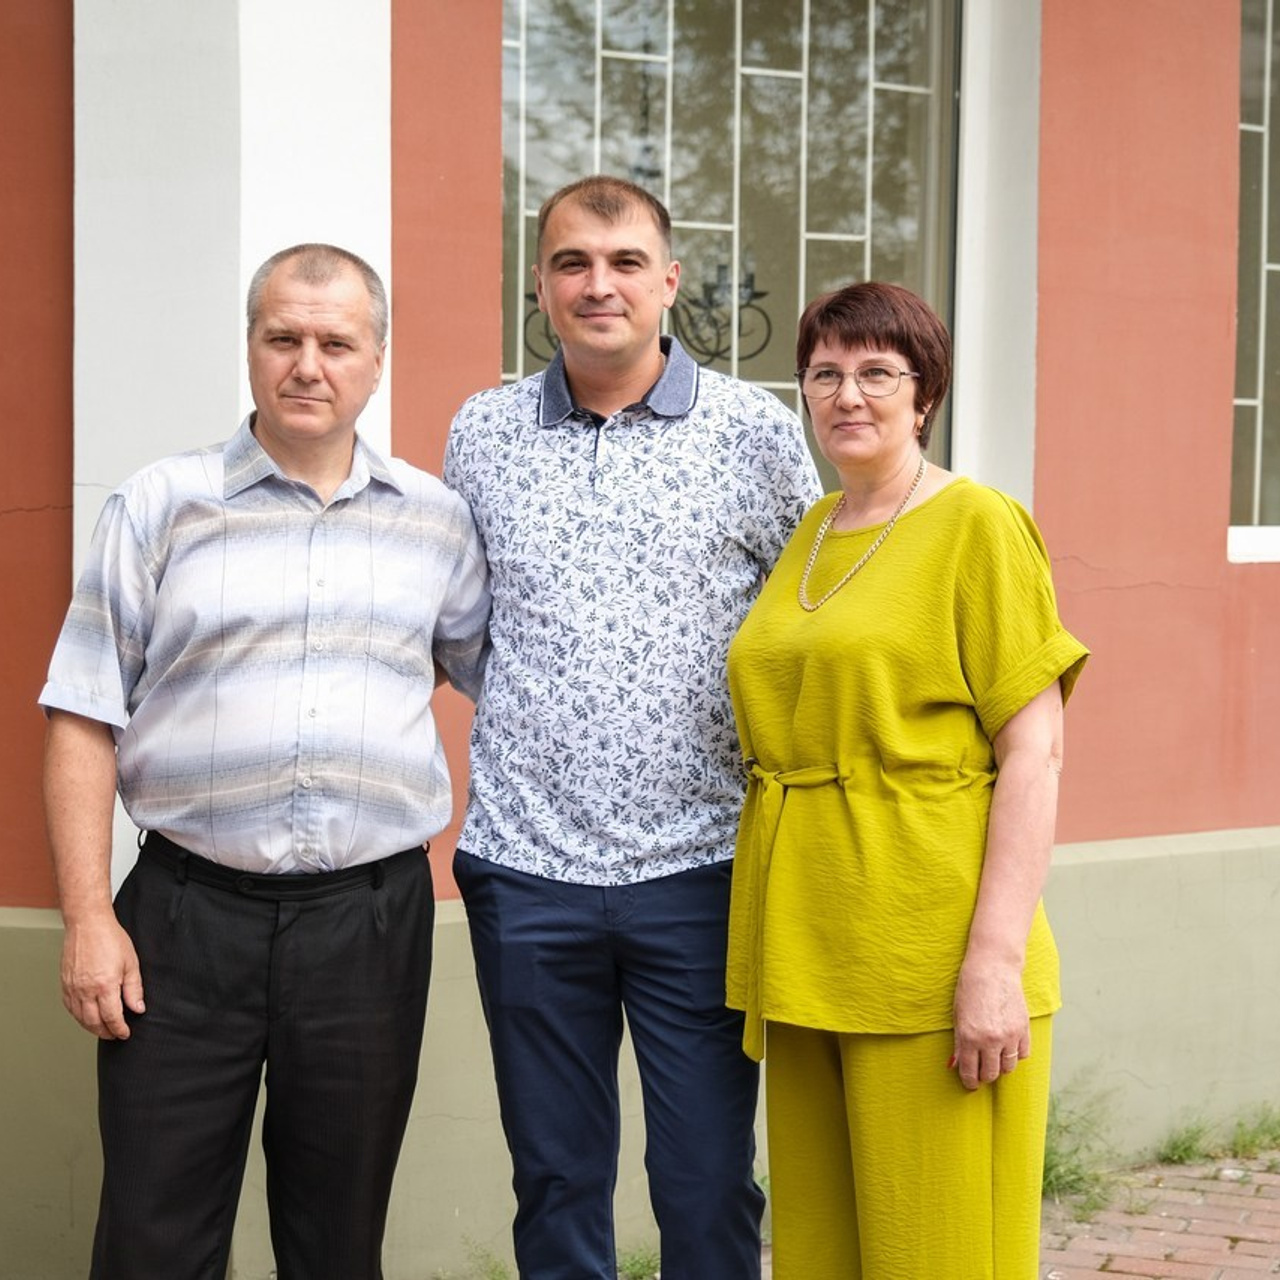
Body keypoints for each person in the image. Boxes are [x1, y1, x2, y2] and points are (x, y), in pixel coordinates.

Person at [40, 243, 489, 1280]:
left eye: (336, 342)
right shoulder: (161, 504)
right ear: (249, 347)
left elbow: (492, 676)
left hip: (367, 920)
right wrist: (86, 916)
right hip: (183, 921)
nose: (306, 363)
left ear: (376, 359)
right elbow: (80, 712)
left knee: (336, 1238)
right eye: (282, 336)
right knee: (153, 1233)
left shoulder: (434, 523)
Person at [444, 175, 821, 1280]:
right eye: (570, 262)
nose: (594, 283)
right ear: (539, 283)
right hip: (525, 866)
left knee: (706, 1176)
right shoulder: (482, 428)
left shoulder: (753, 431)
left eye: (620, 262)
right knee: (554, 1173)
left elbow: (809, 619)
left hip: (703, 866)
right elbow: (471, 626)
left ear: (667, 281)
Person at [725, 281, 1089, 1278]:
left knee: (934, 1247)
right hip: (805, 941)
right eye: (825, 373)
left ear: (921, 392)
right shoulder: (809, 531)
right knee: (822, 1249)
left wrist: (991, 963)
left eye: (877, 372)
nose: (848, 393)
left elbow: (1033, 750)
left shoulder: (977, 523)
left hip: (924, 945)